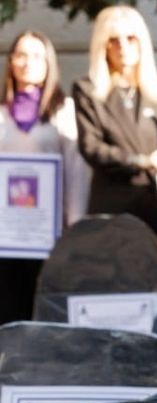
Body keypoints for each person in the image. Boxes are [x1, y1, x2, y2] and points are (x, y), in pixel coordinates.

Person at [71, 6, 157, 236]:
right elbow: (92, 148)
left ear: (142, 42)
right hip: (111, 206)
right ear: (102, 45)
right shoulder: (88, 91)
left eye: (130, 38)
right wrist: (143, 161)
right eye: (113, 40)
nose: (122, 46)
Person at [1, 31, 88, 322]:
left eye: (37, 56)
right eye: (21, 55)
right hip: (6, 233)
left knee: (44, 308)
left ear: (49, 63)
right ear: (11, 61)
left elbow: (76, 169)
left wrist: (74, 224)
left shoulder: (63, 110)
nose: (28, 62)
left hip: (49, 231)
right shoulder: (1, 112)